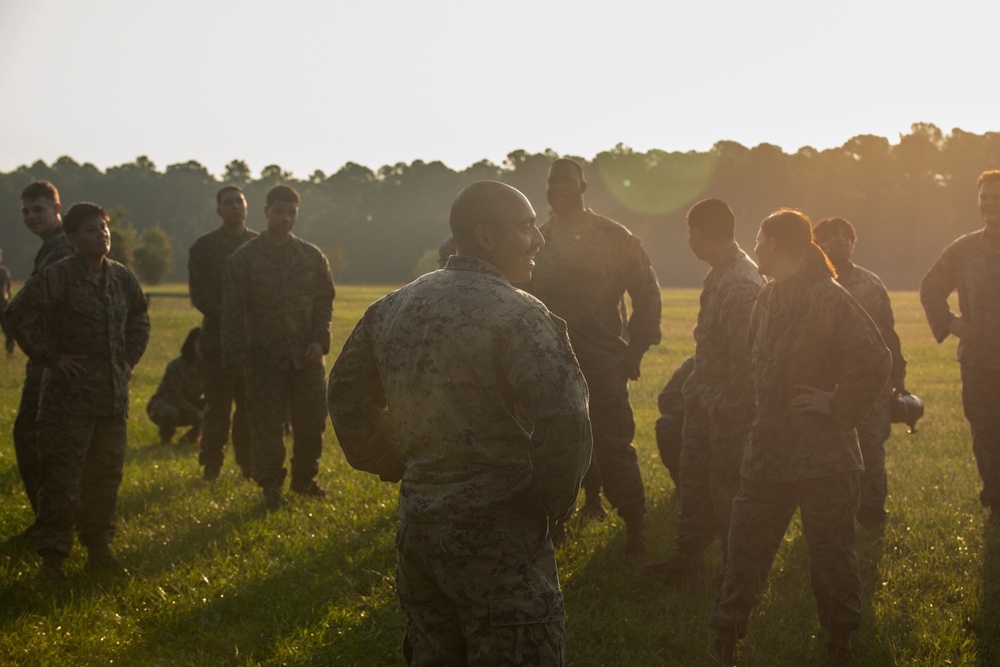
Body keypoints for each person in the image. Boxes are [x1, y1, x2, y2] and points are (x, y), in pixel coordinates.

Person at [328, 180, 592, 667]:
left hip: (420, 535)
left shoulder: (393, 308)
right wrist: (551, 504)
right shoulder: (520, 314)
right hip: (500, 537)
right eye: (526, 227)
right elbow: (567, 416)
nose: (538, 240)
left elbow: (344, 396)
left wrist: (400, 465)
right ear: (486, 237)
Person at [707, 209, 890, 666]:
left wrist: (836, 402)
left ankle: (841, 643)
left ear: (776, 243)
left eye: (759, 237)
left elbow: (874, 356)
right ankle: (724, 639)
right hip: (767, 454)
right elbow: (755, 362)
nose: (753, 246)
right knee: (744, 549)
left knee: (831, 558)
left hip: (823, 458)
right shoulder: (767, 297)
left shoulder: (828, 296)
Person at [5, 202, 151, 582]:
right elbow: (17, 313)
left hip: (111, 399)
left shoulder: (121, 278)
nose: (101, 234)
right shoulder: (60, 276)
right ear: (72, 239)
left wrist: (128, 359)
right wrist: (50, 357)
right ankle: (52, 559)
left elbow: (140, 317)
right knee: (62, 481)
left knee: (105, 478)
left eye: (103, 227)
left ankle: (99, 550)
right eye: (90, 229)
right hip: (67, 401)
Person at [526, 158, 662, 554]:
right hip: (551, 363)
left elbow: (647, 292)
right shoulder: (537, 238)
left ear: (583, 186)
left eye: (567, 181)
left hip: (602, 362)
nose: (558, 188)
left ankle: (635, 526)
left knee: (613, 443)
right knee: (554, 445)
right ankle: (557, 522)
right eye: (553, 182)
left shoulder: (613, 236)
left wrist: (635, 349)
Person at [646, 199, 764, 583]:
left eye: (689, 232)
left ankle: (737, 575)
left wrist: (723, 405)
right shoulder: (721, 273)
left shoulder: (741, 282)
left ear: (698, 233)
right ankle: (686, 559)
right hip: (707, 402)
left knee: (728, 490)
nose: (688, 239)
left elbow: (746, 364)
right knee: (695, 481)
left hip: (727, 410)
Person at [221, 185, 335, 508]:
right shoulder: (244, 259)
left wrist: (319, 340)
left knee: (312, 423)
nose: (286, 218)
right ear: (266, 211)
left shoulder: (312, 257)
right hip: (263, 358)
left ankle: (304, 480)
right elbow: (232, 312)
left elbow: (325, 301)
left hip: (307, 356)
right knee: (267, 427)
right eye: (279, 211)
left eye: (292, 213)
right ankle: (270, 487)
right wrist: (239, 357)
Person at [814, 216, 907, 530]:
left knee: (871, 450)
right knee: (825, 452)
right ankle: (827, 518)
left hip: (869, 386)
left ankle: (872, 516)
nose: (840, 240)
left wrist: (898, 378)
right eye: (831, 236)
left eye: (846, 236)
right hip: (822, 384)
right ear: (815, 243)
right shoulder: (807, 283)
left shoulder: (871, 283)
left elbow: (889, 335)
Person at [920, 169, 1000, 525]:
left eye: (996, 198)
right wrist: (950, 322)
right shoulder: (964, 249)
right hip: (980, 362)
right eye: (984, 198)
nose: (989, 204)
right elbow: (930, 288)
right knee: (985, 434)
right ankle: (997, 501)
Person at [9, 181, 76, 540]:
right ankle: (51, 520)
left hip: (54, 360)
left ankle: (50, 524)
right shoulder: (52, 246)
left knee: (35, 437)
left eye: (38, 209)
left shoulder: (61, 247)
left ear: (56, 208)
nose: (31, 217)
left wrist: (46, 355)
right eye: (25, 211)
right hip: (54, 357)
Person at [189, 186, 257, 480]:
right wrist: (231, 314)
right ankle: (211, 467)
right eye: (228, 203)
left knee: (248, 409)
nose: (234, 207)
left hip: (252, 341)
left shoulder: (259, 245)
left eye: (239, 202)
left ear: (247, 207)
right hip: (216, 340)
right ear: (219, 210)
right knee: (217, 406)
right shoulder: (203, 247)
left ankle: (248, 466)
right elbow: (200, 295)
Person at [147, 327, 205, 446]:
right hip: (166, 403)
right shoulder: (176, 366)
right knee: (169, 412)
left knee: (214, 410)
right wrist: (196, 413)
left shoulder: (207, 368)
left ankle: (189, 439)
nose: (202, 347)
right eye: (199, 343)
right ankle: (165, 441)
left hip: (189, 404)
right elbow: (173, 397)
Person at [654, 355, 695, 487]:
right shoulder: (693, 364)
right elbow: (666, 398)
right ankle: (682, 484)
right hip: (695, 423)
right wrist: (694, 411)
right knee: (666, 425)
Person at [0, 247, 13, 356]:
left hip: (3, 304)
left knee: (8, 329)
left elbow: (8, 289)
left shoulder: (4, 271)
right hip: (4, 303)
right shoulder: (4, 271)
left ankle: (10, 349)